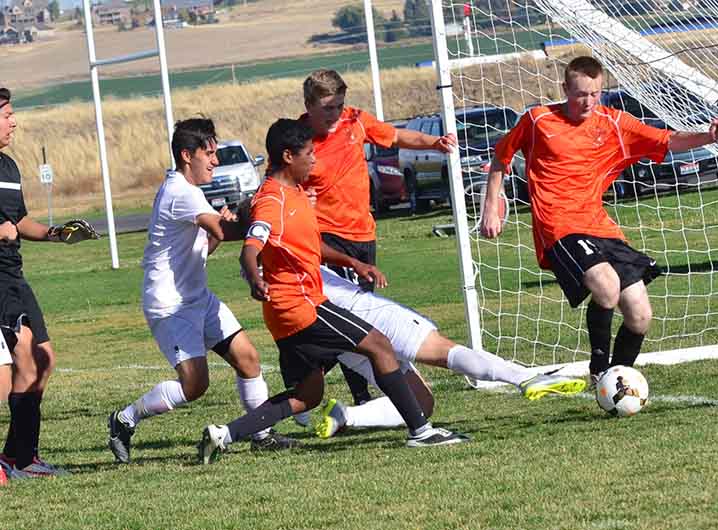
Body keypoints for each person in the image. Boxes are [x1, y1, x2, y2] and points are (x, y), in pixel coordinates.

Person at [197, 119, 467, 464]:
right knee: (379, 346)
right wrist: (255, 279)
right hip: (302, 305)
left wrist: (354, 264)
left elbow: (309, 246)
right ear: (287, 156)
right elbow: (251, 248)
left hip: (286, 313)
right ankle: (421, 432)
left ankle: (223, 434)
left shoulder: (294, 193)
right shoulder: (270, 201)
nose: (314, 160)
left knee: (307, 395)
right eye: (308, 154)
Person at [480, 57, 718, 384]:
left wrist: (708, 137)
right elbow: (502, 156)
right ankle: (600, 371)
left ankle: (618, 381)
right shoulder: (538, 120)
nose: (588, 101)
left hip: (599, 226)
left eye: (595, 94)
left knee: (640, 315)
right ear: (565, 89)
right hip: (558, 226)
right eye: (580, 94)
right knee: (607, 287)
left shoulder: (614, 123)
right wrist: (492, 205)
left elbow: (667, 140)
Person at [107, 118, 298, 465]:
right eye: (208, 154)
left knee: (249, 359)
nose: (215, 160)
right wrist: (261, 213)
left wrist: (222, 229)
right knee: (194, 386)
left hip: (198, 298)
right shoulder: (181, 191)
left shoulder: (187, 192)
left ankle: (262, 435)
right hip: (170, 306)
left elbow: (207, 245)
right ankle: (124, 420)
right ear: (186, 155)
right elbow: (227, 232)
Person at [299, 69, 458, 406]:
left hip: (363, 237)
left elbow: (397, 136)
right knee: (347, 322)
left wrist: (434, 142)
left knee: (360, 319)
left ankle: (348, 392)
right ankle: (346, 394)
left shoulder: (356, 121)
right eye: (328, 107)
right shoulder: (297, 141)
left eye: (340, 105)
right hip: (326, 240)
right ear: (308, 106)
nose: (336, 114)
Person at [315, 265, 587, 438]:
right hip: (364, 313)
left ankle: (346, 415)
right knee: (443, 350)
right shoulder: (281, 217)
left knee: (421, 403)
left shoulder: (279, 253)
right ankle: (524, 377)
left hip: (335, 332)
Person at [0, 87, 100, 479]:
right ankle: (14, 459)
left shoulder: (8, 167)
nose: (14, 122)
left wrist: (57, 233)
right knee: (21, 359)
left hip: (14, 276)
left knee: (44, 360)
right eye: (7, 114)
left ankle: (22, 456)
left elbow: (20, 221)